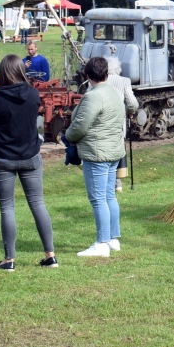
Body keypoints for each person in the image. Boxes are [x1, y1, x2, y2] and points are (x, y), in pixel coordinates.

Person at [0, 55, 57, 270]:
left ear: (3, 73)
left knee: (7, 208)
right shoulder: (33, 94)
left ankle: (9, 260)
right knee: (38, 204)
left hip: (4, 157)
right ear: (21, 71)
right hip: (31, 155)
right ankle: (50, 255)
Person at [65, 56, 126, 258]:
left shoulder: (93, 96)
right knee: (109, 195)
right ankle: (112, 238)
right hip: (113, 151)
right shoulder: (114, 92)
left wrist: (67, 136)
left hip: (97, 153)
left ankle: (101, 243)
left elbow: (80, 125)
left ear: (88, 75)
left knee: (98, 198)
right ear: (106, 73)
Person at [103, 57, 138, 192]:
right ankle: (117, 183)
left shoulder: (98, 81)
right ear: (118, 69)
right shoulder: (124, 81)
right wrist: (130, 112)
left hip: (102, 124)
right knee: (117, 151)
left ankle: (108, 182)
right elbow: (133, 103)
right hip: (118, 123)